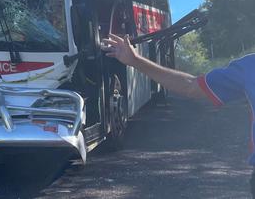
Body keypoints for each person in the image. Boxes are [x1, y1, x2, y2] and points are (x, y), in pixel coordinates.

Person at [101, 33, 255, 196]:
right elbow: (190, 86)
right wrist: (136, 61)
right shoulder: (249, 67)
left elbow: (190, 87)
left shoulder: (249, 66)